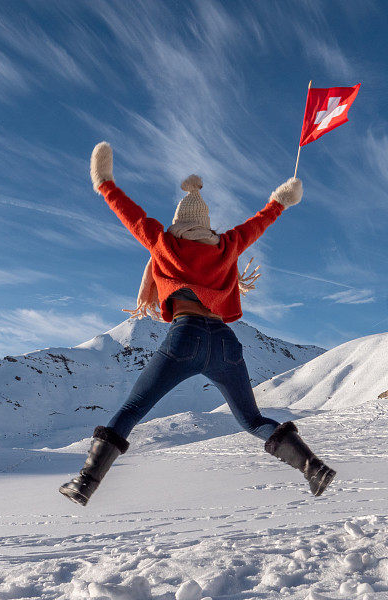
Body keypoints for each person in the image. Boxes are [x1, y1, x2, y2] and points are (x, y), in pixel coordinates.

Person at [59, 142, 336, 506]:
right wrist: (282, 199)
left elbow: (131, 215)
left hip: (185, 336)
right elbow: (260, 222)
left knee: (132, 409)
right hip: (225, 342)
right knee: (252, 420)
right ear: (206, 223)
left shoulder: (164, 244)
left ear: (177, 221)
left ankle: (85, 483)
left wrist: (105, 183)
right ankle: (313, 468)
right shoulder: (227, 246)